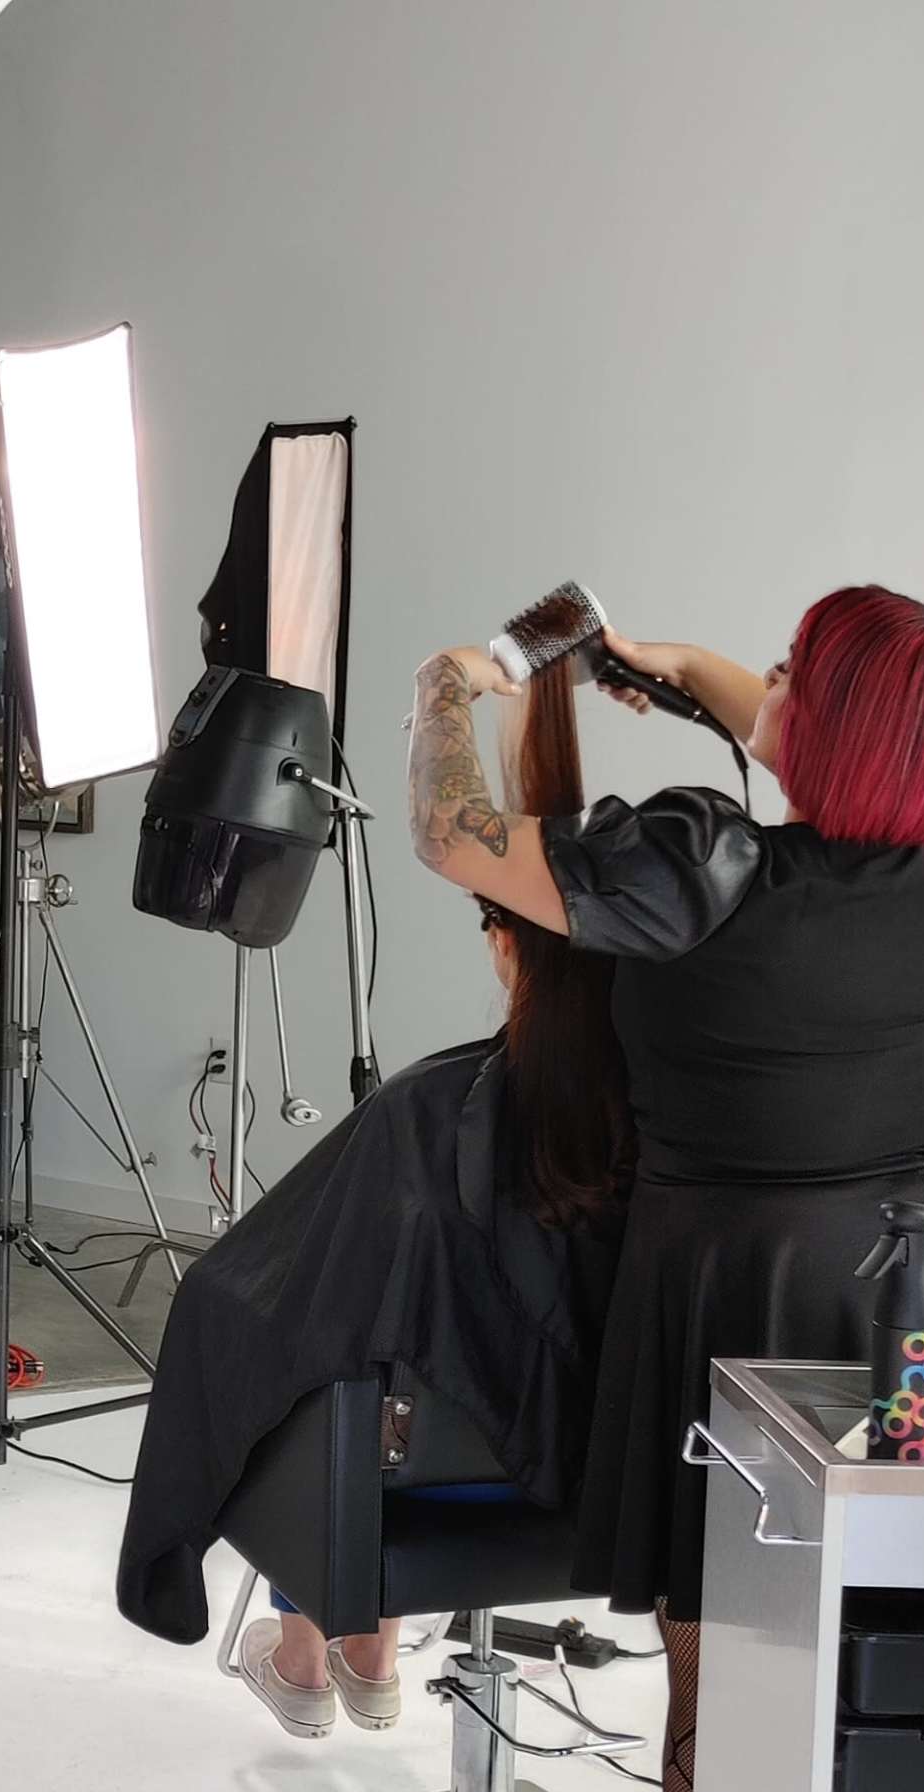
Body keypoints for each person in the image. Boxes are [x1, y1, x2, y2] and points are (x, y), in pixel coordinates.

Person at [408, 587, 924, 1792]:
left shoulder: (698, 862)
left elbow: (456, 840)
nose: (773, 680)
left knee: (732, 1663)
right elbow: (812, 737)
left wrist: (449, 700)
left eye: (797, 669)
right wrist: (677, 667)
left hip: (747, 1298)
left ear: (838, 724)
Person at [118, 666, 630, 1727]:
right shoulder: (666, 1115)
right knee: (396, 1316)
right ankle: (365, 1641)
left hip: (433, 1487)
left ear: (502, 940)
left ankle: (321, 1638)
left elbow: (272, 1309)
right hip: (609, 1487)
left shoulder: (432, 1110)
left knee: (308, 1338)